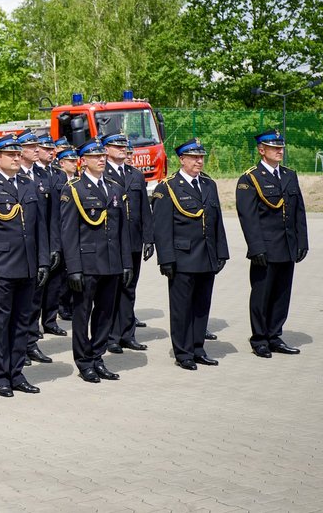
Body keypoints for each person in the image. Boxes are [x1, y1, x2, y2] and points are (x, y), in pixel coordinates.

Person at [0, 135, 50, 397]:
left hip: (27, 267)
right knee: (1, 324)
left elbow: (39, 228)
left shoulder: (29, 185)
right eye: (10, 155)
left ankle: (17, 373)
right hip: (2, 268)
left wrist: (42, 261)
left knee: (22, 323)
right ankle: (1, 376)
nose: (17, 158)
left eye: (18, 154)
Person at [59, 137, 132, 384]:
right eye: (95, 156)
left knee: (105, 314)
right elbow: (68, 233)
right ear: (84, 161)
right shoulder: (74, 189)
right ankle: (84, 362)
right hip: (87, 263)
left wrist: (126, 263)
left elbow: (121, 230)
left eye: (103, 156)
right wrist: (73, 268)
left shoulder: (114, 188)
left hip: (111, 263)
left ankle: (98, 356)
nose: (101, 159)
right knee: (82, 314)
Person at [153, 139, 229, 369]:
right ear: (182, 159)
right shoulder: (167, 187)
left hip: (206, 255)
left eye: (201, 157)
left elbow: (216, 221)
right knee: (181, 308)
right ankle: (183, 353)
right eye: (194, 157)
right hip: (182, 258)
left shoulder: (208, 184)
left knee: (201, 306)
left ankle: (198, 348)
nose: (199, 161)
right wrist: (166, 259)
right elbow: (162, 228)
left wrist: (221, 252)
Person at [236, 129, 309, 358]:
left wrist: (302, 241)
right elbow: (248, 218)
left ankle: (274, 335)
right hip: (265, 248)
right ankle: (259, 339)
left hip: (287, 246)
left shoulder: (289, 175)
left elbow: (298, 211)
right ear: (261, 150)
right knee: (262, 294)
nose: (280, 151)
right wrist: (256, 246)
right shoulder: (250, 178)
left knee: (282, 293)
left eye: (281, 147)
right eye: (274, 148)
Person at [103, 134, 154, 354]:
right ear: (106, 150)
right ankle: (110, 337)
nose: (122, 149)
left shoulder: (135, 175)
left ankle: (127, 334)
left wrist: (149, 238)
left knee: (129, 288)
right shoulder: (101, 174)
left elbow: (144, 208)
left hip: (132, 240)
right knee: (112, 289)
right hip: (111, 242)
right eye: (117, 145)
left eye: (124, 145)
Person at [17, 130, 61, 365]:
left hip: (39, 248)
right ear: (20, 150)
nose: (37, 149)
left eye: (37, 145)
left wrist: (53, 247)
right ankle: (18, 347)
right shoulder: (14, 177)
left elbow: (52, 217)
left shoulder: (44, 176)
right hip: (17, 251)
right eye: (31, 145)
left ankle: (31, 343)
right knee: (19, 303)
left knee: (35, 299)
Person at [36, 135, 68, 338]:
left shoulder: (59, 175)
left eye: (52, 149)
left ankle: (49, 321)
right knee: (38, 285)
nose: (51, 152)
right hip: (39, 236)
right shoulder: (33, 175)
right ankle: (32, 326)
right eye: (46, 149)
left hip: (57, 235)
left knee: (54, 283)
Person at [55, 142, 80, 322]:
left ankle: (70, 303)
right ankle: (62, 306)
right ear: (61, 163)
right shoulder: (58, 180)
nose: (74, 163)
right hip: (61, 230)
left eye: (74, 160)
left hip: (77, 232)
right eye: (69, 161)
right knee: (62, 273)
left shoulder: (79, 180)